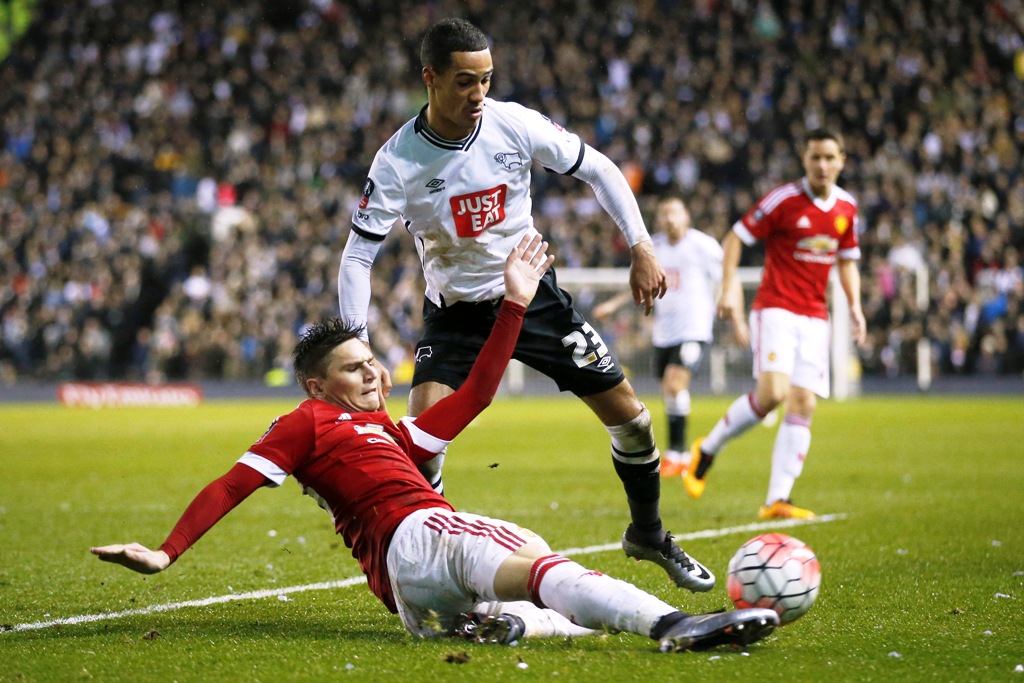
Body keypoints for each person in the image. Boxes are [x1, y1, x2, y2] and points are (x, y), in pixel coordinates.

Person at [91, 236, 779, 652]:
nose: (375, 372)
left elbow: (476, 393)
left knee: (530, 553)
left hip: (406, 590)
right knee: (539, 565)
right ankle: (674, 624)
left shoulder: (390, 431)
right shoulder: (306, 422)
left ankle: (494, 624)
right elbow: (232, 483)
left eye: (373, 360)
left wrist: (515, 302)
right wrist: (165, 551)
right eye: (354, 368)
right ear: (315, 384)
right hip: (414, 538)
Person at [337, 18, 714, 591]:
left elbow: (599, 169)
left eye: (486, 80)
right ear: (430, 79)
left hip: (535, 299)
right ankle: (429, 570)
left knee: (634, 423)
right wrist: (355, 344)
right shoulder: (397, 162)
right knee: (420, 450)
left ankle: (649, 533)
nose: (478, 95)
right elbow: (357, 258)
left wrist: (641, 246)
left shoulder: (512, 123)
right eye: (465, 82)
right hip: (457, 314)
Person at [684, 129, 866, 520]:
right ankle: (708, 448)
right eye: (815, 157)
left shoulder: (847, 208)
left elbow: (848, 260)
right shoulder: (783, 200)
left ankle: (776, 500)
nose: (822, 165)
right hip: (776, 308)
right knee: (773, 394)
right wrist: (730, 288)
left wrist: (855, 305)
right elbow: (735, 237)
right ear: (805, 159)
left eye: (829, 158)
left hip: (816, 314)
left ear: (841, 161)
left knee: (804, 402)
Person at [594, 197, 733, 478]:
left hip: (694, 329)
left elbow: (727, 277)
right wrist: (613, 305)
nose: (670, 219)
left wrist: (732, 311)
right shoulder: (652, 247)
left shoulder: (703, 246)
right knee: (669, 389)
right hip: (664, 333)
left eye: (675, 213)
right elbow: (639, 281)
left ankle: (677, 454)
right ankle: (679, 453)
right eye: (665, 214)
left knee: (674, 383)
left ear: (686, 217)